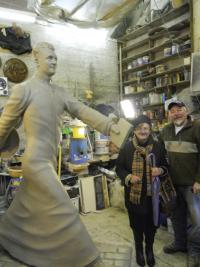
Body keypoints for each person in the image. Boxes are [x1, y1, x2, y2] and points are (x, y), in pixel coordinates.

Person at [0, 42, 120, 267]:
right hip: (35, 161)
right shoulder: (24, 90)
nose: (54, 62)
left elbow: (82, 110)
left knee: (26, 208)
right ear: (37, 60)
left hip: (49, 159)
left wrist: (108, 125)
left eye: (56, 58)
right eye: (49, 58)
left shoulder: (61, 93)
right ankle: (86, 257)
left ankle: (7, 235)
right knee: (62, 206)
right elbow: (4, 125)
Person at [115, 115, 168, 267]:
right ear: (134, 131)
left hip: (153, 197)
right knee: (137, 225)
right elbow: (119, 168)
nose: (143, 131)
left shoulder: (158, 147)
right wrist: (128, 177)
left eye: (145, 128)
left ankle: (149, 249)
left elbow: (166, 167)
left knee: (152, 226)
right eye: (139, 128)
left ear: (150, 130)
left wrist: (160, 170)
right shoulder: (127, 148)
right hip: (134, 196)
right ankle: (139, 249)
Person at [161, 100, 200, 267]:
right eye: (173, 111)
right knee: (176, 216)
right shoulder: (166, 130)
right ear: (169, 114)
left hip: (192, 185)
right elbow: (161, 153)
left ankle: (195, 251)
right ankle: (179, 243)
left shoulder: (196, 128)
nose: (176, 113)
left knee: (196, 221)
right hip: (172, 184)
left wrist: (199, 180)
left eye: (179, 110)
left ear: (186, 111)